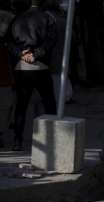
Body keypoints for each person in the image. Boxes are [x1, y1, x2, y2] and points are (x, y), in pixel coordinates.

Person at [8, 0, 57, 151]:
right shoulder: (47, 18)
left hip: (22, 67)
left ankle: (17, 142)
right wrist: (35, 55)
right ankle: (52, 139)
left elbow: (9, 43)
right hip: (41, 66)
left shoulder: (17, 18)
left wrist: (22, 55)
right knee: (49, 103)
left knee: (21, 106)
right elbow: (50, 42)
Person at [0, 1, 15, 148]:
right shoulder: (9, 19)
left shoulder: (8, 19)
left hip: (4, 76)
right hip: (4, 77)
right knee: (4, 107)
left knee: (5, 107)